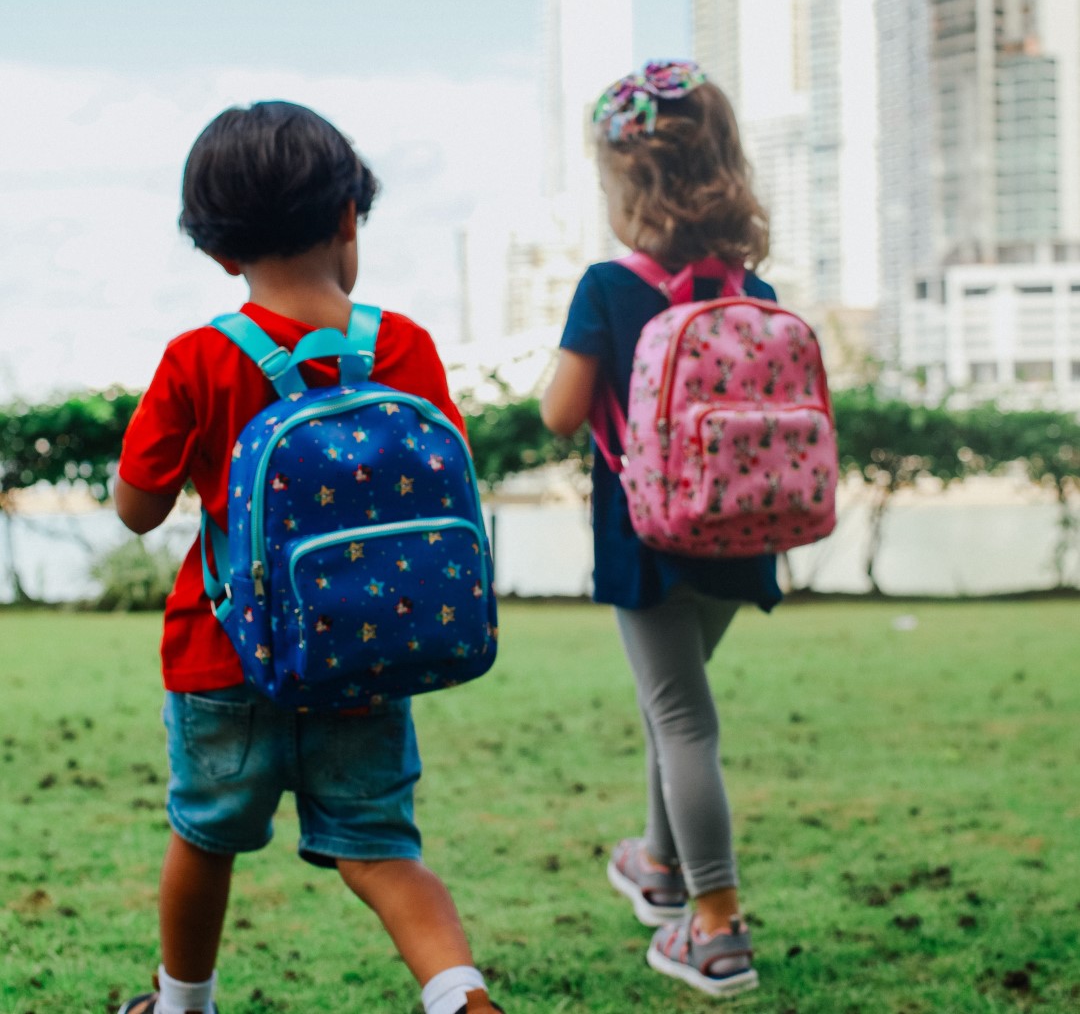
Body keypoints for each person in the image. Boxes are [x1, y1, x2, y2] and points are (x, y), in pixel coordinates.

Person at [115, 101, 503, 1014]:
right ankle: (461, 997)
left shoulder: (199, 358)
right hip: (367, 654)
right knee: (381, 850)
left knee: (204, 838)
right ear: (347, 219)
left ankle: (181, 1005)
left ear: (219, 253)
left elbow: (137, 510)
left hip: (219, 660)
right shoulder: (402, 345)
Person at [541, 60, 781, 999]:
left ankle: (715, 928)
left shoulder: (608, 288)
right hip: (744, 535)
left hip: (648, 538)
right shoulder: (751, 290)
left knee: (682, 719)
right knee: (670, 704)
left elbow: (563, 412)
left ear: (625, 186)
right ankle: (659, 866)